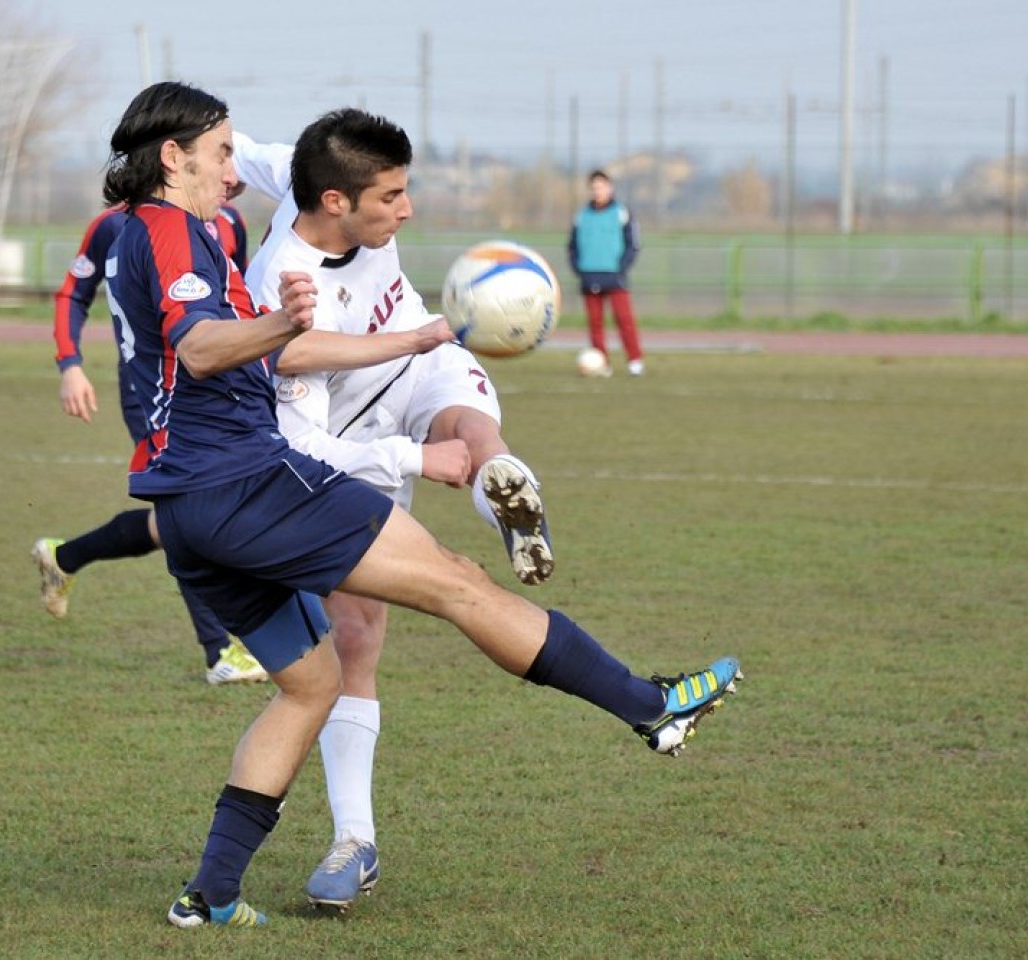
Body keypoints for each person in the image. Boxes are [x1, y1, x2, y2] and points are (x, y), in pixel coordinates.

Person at [85, 80, 741, 930]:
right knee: (457, 583)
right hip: (246, 483)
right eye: (216, 152)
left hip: (186, 509)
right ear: (172, 159)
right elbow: (204, 346)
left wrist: (364, 337)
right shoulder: (172, 225)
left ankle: (208, 895)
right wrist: (286, 328)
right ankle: (650, 707)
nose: (230, 168)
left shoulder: (167, 227)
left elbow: (229, 317)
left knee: (309, 685)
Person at [232, 110, 558, 908]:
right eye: (393, 197)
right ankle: (355, 839)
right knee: (356, 637)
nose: (406, 211)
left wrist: (210, 140)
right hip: (345, 431)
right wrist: (416, 460)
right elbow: (302, 443)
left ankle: (509, 492)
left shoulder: (307, 172)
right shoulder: (287, 281)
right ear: (337, 203)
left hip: (419, 354)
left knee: (471, 421)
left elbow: (242, 148)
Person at [34, 189, 266, 685]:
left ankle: (66, 555)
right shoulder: (115, 226)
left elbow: (236, 300)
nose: (232, 174)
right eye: (220, 154)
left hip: (218, 386)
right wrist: (70, 366)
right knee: (189, 509)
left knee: (199, 511)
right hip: (152, 388)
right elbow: (72, 293)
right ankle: (222, 649)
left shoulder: (230, 221)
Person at [568, 169, 645, 376]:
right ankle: (602, 362)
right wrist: (578, 268)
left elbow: (633, 244)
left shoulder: (621, 212)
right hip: (589, 275)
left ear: (610, 188)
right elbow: (572, 246)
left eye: (601, 186)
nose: (598, 191)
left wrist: (621, 266)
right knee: (595, 323)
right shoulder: (582, 216)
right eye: (594, 187)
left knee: (624, 319)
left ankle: (635, 360)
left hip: (614, 275)